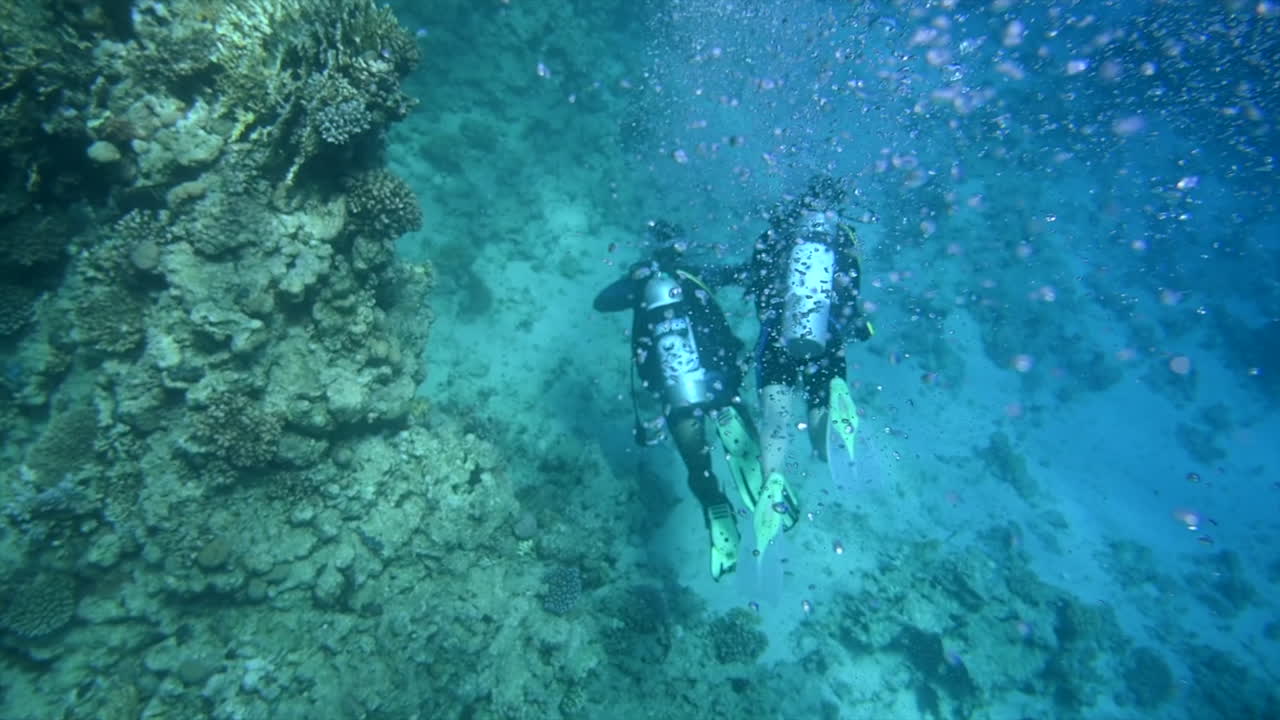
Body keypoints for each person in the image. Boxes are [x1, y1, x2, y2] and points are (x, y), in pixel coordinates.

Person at [593, 222, 765, 581]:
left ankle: (715, 504)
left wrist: (635, 280)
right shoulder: (697, 273)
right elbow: (742, 274)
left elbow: (602, 302)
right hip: (717, 380)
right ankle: (747, 454)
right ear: (681, 250)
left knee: (696, 464)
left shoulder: (643, 286)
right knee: (732, 415)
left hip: (675, 393)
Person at [746, 175, 875, 536]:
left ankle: (773, 478)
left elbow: (757, 282)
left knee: (776, 418)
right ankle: (831, 411)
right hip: (828, 336)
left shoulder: (777, 231)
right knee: (821, 427)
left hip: (777, 336)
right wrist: (854, 328)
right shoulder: (843, 237)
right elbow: (851, 292)